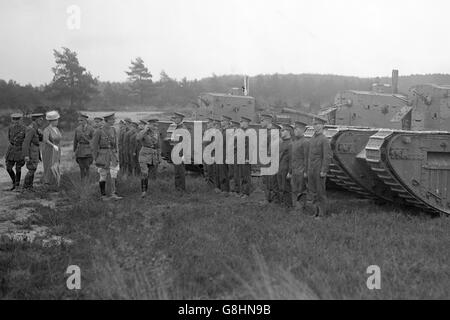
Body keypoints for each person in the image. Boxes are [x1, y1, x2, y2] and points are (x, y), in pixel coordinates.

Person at [91, 113, 123, 201]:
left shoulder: (113, 130)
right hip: (103, 155)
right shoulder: (98, 131)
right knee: (103, 174)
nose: (114, 121)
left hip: (112, 155)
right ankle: (103, 195)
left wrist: (117, 155)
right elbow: (94, 146)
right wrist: (95, 158)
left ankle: (113, 193)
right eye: (112, 119)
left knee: (114, 173)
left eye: (114, 119)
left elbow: (116, 144)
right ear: (107, 120)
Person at [307, 118, 332, 218]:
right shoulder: (312, 139)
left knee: (320, 192)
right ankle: (315, 212)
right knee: (312, 192)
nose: (315, 126)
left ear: (322, 126)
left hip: (319, 169)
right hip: (311, 169)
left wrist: (324, 170)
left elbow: (327, 156)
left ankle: (322, 214)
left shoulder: (324, 140)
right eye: (314, 124)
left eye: (317, 124)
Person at [136, 119, 160, 198]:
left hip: (153, 155)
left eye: (156, 125)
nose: (155, 127)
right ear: (149, 125)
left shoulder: (156, 133)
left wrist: (158, 157)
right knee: (144, 172)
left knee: (149, 174)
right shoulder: (144, 132)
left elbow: (158, 145)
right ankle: (143, 192)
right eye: (153, 125)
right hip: (144, 154)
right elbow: (138, 138)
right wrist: (145, 130)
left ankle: (146, 190)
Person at [260, 113, 280, 204]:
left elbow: (273, 148)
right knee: (267, 180)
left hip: (271, 160)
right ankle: (267, 198)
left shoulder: (273, 132)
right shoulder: (267, 131)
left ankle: (274, 199)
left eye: (262, 121)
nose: (260, 123)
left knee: (272, 180)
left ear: (268, 121)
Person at [22, 113, 45, 191]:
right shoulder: (31, 129)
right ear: (36, 120)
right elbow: (26, 143)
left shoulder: (36, 128)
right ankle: (25, 187)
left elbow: (39, 140)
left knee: (33, 169)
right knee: (31, 169)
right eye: (41, 119)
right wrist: (26, 155)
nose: (42, 121)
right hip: (31, 152)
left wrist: (41, 134)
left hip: (35, 151)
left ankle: (30, 187)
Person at [4, 113, 26, 191]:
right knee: (8, 168)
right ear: (12, 120)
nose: (16, 121)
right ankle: (14, 182)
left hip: (20, 149)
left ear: (20, 119)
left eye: (17, 119)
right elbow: (9, 138)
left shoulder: (24, 128)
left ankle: (17, 185)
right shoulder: (10, 128)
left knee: (18, 168)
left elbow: (26, 141)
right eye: (14, 119)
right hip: (12, 149)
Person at [42, 111, 62, 188]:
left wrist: (58, 147)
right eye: (56, 120)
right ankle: (47, 182)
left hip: (57, 149)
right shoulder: (47, 129)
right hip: (49, 149)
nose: (57, 121)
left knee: (56, 164)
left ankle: (56, 182)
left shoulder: (56, 129)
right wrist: (53, 145)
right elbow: (45, 140)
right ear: (51, 121)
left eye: (57, 120)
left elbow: (59, 138)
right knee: (49, 165)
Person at [73, 113, 95, 183]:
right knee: (81, 168)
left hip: (88, 150)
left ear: (85, 120)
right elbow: (75, 141)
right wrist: (74, 150)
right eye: (79, 121)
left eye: (81, 120)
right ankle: (82, 182)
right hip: (80, 151)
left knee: (87, 167)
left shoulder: (91, 129)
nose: (80, 122)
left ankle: (88, 181)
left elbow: (94, 140)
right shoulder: (77, 129)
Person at [278, 124, 293, 208]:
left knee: (286, 188)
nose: (281, 132)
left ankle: (288, 205)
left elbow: (291, 159)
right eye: (281, 131)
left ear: (288, 132)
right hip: (280, 167)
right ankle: (283, 203)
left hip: (285, 168)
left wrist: (290, 172)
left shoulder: (290, 144)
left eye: (283, 131)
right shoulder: (283, 142)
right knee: (281, 187)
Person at [171, 112, 187, 191]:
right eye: (174, 118)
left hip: (180, 152)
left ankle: (181, 188)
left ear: (181, 119)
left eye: (177, 118)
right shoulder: (177, 127)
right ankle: (177, 188)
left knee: (180, 172)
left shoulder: (183, 128)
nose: (175, 119)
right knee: (177, 171)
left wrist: (184, 155)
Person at [237, 116, 252, 198]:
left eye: (242, 122)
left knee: (246, 176)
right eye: (240, 122)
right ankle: (243, 191)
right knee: (242, 175)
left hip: (246, 158)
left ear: (246, 123)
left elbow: (251, 147)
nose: (240, 123)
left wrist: (248, 158)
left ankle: (246, 193)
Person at [218, 115, 232, 194]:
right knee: (222, 172)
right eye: (221, 121)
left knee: (226, 172)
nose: (221, 122)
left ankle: (227, 189)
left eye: (223, 121)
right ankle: (223, 188)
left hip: (226, 153)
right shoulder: (222, 130)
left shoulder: (229, 131)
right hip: (221, 153)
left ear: (227, 121)